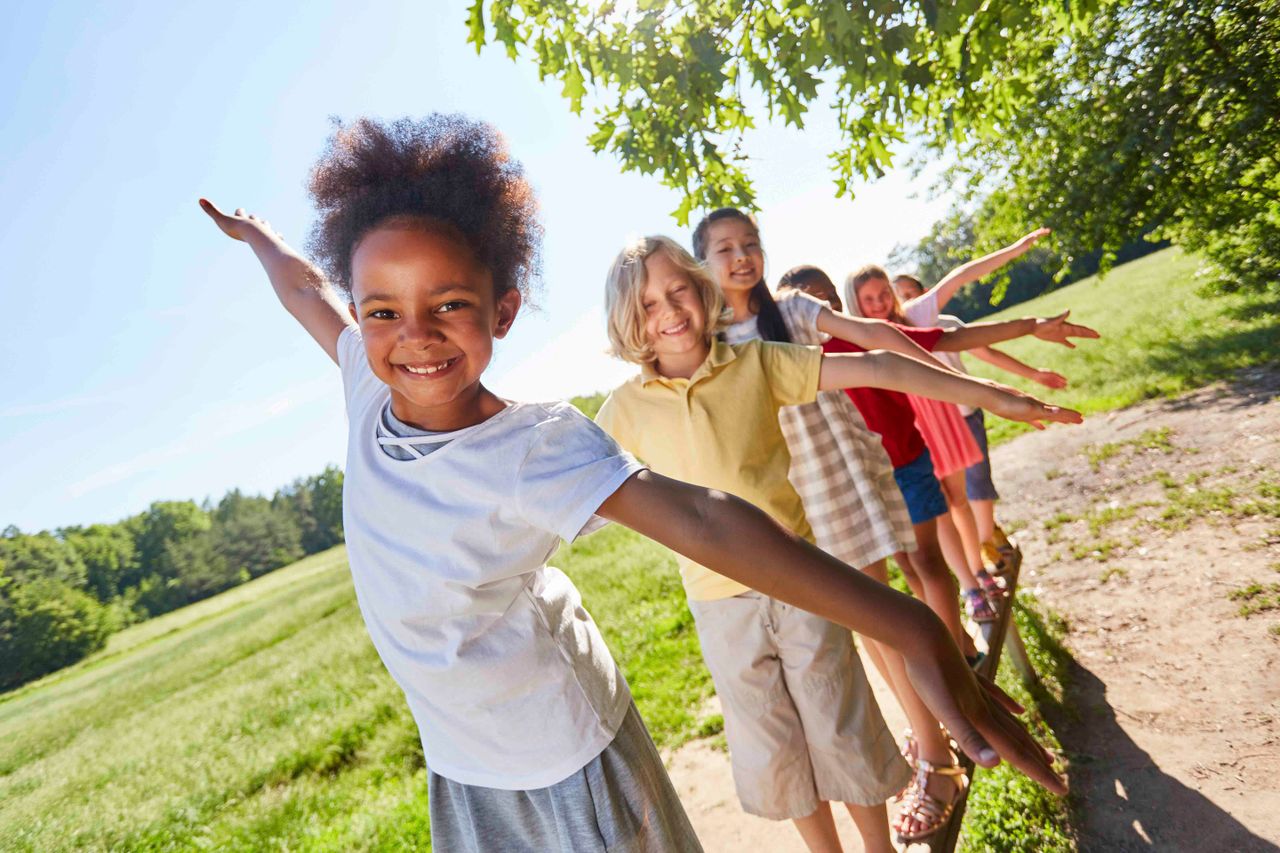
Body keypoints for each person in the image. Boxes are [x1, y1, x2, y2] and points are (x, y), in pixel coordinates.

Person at [200, 114, 1066, 852]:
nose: (413, 335)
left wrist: (915, 624)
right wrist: (257, 237)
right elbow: (306, 290)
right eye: (382, 307)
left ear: (503, 309)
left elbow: (706, 517)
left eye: (450, 304)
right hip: (462, 764)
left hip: (567, 749)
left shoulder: (534, 443)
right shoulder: (362, 375)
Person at [596, 235, 1076, 849]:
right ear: (626, 321)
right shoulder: (621, 411)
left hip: (801, 582)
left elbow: (875, 365)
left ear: (700, 288)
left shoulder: (757, 362)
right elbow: (566, 491)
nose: (667, 310)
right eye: (647, 304)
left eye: (677, 290)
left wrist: (992, 395)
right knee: (775, 748)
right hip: (719, 607)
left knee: (840, 727)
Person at [892, 272, 1068, 571]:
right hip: (933, 428)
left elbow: (987, 353)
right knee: (953, 498)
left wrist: (1033, 374)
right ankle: (979, 543)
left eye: (912, 293)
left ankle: (986, 540)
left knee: (978, 482)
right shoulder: (895, 333)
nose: (909, 301)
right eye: (901, 296)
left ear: (925, 292)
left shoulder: (945, 323)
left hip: (966, 413)